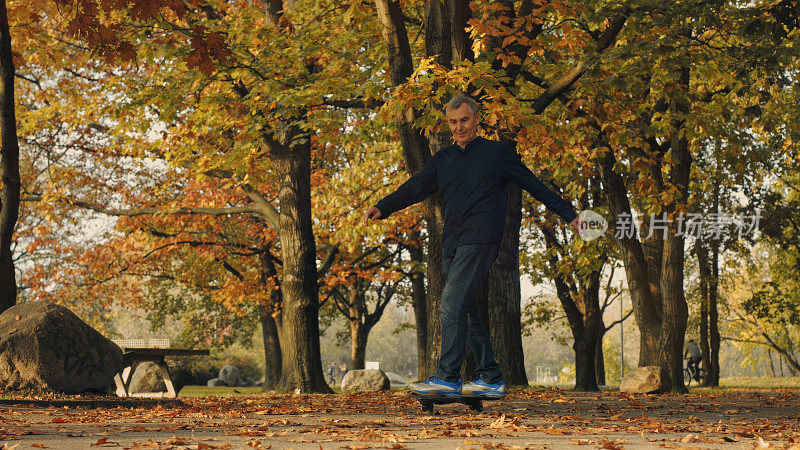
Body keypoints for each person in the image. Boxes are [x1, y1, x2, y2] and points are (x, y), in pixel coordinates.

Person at [363, 95, 580, 399]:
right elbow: (414, 187)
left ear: (477, 119)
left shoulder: (496, 154)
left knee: (451, 303)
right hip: (452, 242)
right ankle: (491, 378)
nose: (459, 127)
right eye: (453, 122)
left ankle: (447, 378)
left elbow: (535, 185)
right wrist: (382, 207)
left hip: (481, 239)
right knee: (464, 309)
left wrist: (569, 215)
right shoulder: (443, 160)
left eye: (464, 120)